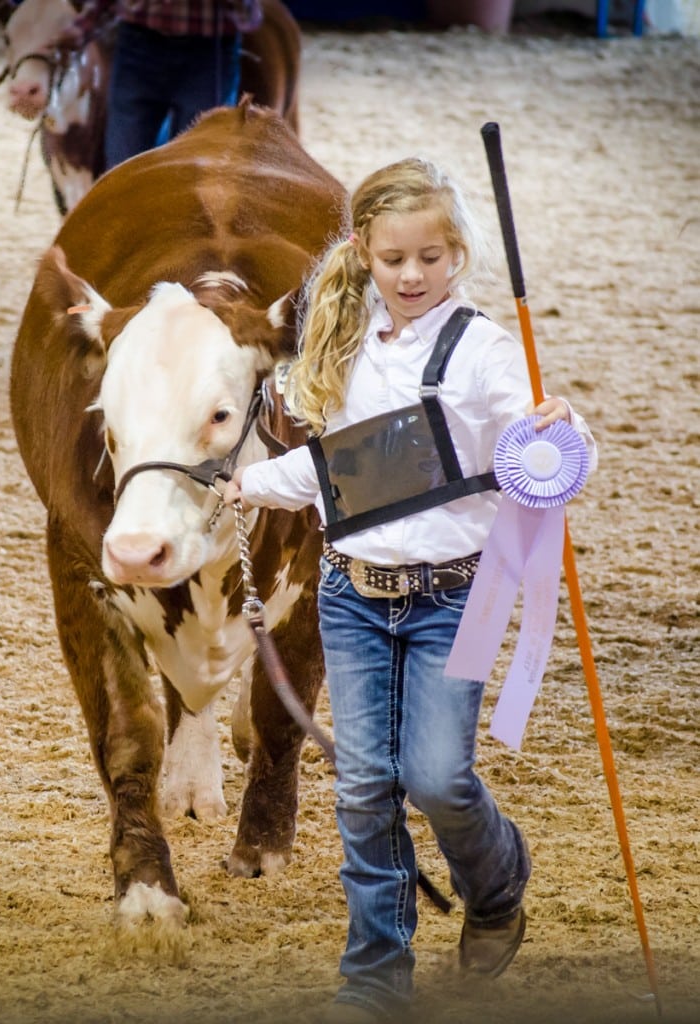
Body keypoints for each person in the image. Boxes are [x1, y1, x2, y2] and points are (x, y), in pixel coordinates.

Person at [223, 157, 598, 1023]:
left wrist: (561, 430)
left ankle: (497, 883)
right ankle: (375, 984)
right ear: (363, 250)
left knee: (436, 777)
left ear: (458, 253)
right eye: (394, 258)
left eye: (431, 257)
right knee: (363, 787)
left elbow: (543, 451)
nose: (412, 275)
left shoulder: (484, 352)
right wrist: (251, 484)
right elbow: (339, 466)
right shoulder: (343, 337)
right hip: (351, 594)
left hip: (450, 599)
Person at [55, 0, 262, 170]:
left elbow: (246, 10)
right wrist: (84, 26)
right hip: (138, 44)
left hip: (208, 52)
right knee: (122, 170)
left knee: (199, 170)